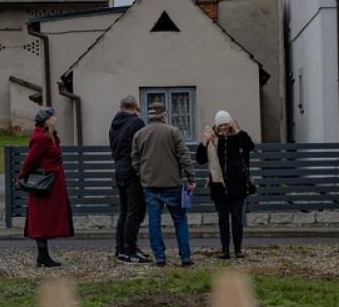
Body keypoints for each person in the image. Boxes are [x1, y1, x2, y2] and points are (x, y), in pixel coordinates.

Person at [132, 101, 196, 267]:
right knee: (180, 220)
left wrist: (143, 176)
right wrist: (191, 178)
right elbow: (184, 156)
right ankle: (185, 257)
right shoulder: (173, 131)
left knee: (154, 223)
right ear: (164, 115)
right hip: (172, 183)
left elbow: (135, 160)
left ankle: (160, 258)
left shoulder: (140, 134)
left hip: (150, 185)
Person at [20, 107, 73, 268]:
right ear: (46, 120)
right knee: (41, 220)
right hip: (44, 185)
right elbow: (31, 160)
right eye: (53, 117)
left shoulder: (50, 137)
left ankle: (43, 256)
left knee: (46, 218)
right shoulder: (40, 138)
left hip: (51, 184)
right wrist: (23, 177)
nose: (55, 119)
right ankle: (43, 256)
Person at [200, 110, 255, 259]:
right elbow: (199, 158)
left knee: (237, 219)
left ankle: (238, 249)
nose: (223, 128)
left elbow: (250, 146)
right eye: (221, 125)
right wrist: (205, 142)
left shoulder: (238, 137)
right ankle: (225, 249)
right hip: (219, 187)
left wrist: (238, 131)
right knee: (223, 220)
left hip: (238, 187)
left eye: (226, 124)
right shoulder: (213, 140)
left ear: (230, 123)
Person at [109, 95, 150, 264]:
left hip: (119, 171)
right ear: (135, 107)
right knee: (135, 212)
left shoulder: (114, 125)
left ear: (121, 106)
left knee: (124, 212)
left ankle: (121, 249)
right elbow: (142, 147)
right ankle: (132, 251)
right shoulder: (136, 123)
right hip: (133, 173)